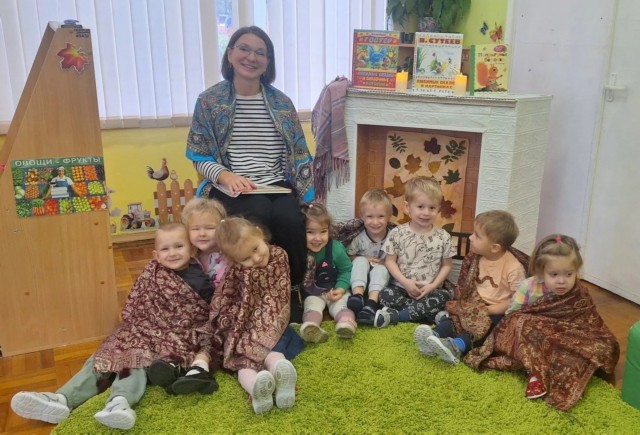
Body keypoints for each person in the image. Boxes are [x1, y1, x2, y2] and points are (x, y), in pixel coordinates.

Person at [11, 223, 216, 430]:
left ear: (191, 250)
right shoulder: (152, 272)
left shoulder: (200, 280)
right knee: (110, 350)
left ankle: (119, 402)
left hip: (175, 335)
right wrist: (140, 327)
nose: (172, 253)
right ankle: (62, 398)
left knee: (135, 356)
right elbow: (137, 304)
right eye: (165, 249)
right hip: (141, 327)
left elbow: (206, 312)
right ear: (156, 255)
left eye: (179, 246)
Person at [185, 25, 313, 323]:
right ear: (230, 54)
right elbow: (199, 156)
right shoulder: (209, 101)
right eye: (244, 49)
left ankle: (292, 291)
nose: (251, 57)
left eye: (260, 52)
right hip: (232, 184)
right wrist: (225, 176)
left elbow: (298, 152)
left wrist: (308, 194)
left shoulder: (282, 103)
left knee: (290, 221)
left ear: (268, 63)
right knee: (257, 214)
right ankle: (254, 294)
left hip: (276, 183)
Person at [465, 234, 620, 410]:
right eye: (554, 274)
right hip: (535, 337)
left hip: (563, 337)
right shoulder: (529, 286)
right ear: (541, 270)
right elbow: (512, 315)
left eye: (569, 274)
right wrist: (536, 324)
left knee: (606, 346)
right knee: (523, 322)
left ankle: (562, 367)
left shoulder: (579, 291)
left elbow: (589, 321)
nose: (561, 281)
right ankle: (536, 374)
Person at [209, 217, 302, 415]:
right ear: (234, 260)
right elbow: (226, 301)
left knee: (265, 352)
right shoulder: (236, 272)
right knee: (245, 361)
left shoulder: (279, 255)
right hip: (244, 327)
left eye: (256, 249)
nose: (257, 258)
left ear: (260, 234)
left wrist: (263, 321)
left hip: (274, 322)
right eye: (246, 259)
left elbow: (278, 294)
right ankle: (257, 388)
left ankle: (279, 373)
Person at [414, 210, 526, 364]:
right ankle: (433, 336)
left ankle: (456, 346)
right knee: (455, 320)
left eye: (477, 236)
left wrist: (489, 310)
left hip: (496, 310)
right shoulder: (475, 257)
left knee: (486, 328)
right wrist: (470, 306)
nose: (470, 237)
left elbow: (517, 300)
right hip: (474, 304)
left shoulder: (513, 268)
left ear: (494, 247)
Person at [146, 198, 228, 395]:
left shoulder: (229, 256)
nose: (202, 233)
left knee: (209, 338)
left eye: (210, 228)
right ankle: (174, 366)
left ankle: (199, 369)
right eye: (195, 229)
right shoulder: (185, 255)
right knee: (174, 333)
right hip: (184, 317)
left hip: (216, 314)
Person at [375, 176, 456, 328]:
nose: (426, 212)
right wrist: (405, 282)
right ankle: (431, 314)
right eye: (420, 206)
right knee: (385, 294)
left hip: (430, 290)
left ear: (438, 209)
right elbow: (390, 261)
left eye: (432, 208)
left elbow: (447, 265)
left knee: (445, 296)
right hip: (401, 287)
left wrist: (433, 286)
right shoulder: (397, 233)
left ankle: (399, 316)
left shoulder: (443, 236)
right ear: (407, 207)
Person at [299, 203, 357, 342]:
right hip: (313, 293)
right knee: (312, 307)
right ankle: (311, 327)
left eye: (323, 232)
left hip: (335, 290)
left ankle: (346, 324)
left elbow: (346, 270)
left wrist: (340, 289)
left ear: (329, 231)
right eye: (310, 232)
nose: (318, 238)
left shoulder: (336, 248)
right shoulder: (300, 251)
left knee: (341, 306)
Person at [345, 189, 393, 325]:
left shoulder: (393, 237)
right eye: (370, 216)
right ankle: (357, 296)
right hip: (360, 278)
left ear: (389, 216)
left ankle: (372, 303)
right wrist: (365, 259)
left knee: (381, 269)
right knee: (360, 260)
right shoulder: (359, 238)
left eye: (381, 216)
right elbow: (348, 256)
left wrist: (385, 262)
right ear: (362, 217)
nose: (375, 222)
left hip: (381, 280)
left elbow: (400, 260)